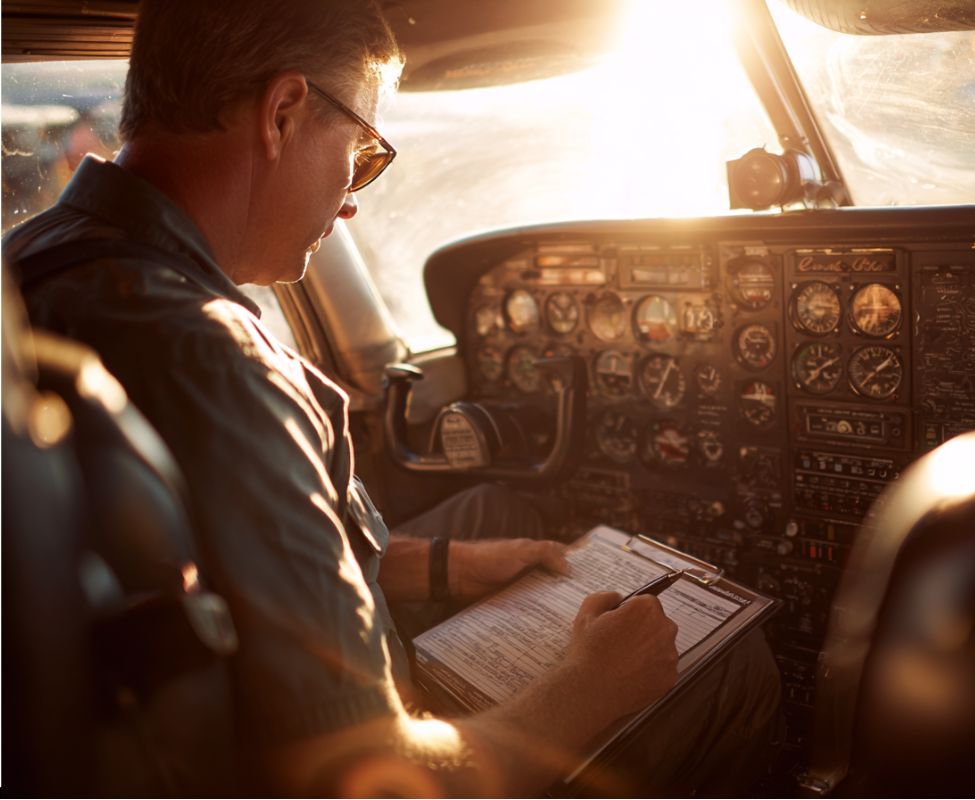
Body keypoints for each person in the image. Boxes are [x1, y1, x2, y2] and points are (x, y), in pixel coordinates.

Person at [3, 1, 779, 795]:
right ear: (282, 113)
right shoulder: (216, 363)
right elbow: (365, 782)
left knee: (498, 513)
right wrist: (591, 686)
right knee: (731, 664)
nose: (351, 201)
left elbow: (212, 558)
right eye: (362, 155)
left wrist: (448, 566)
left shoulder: (32, 263)